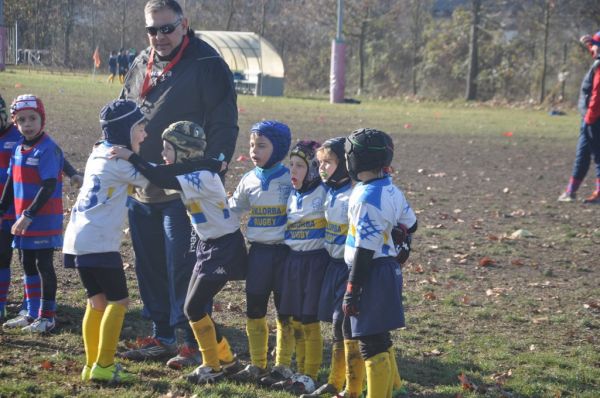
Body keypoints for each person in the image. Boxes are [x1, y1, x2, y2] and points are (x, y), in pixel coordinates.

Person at [119, 0, 239, 369]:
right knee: (149, 265)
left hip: (183, 190)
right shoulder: (141, 61)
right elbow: (125, 108)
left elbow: (224, 119)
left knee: (184, 267)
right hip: (142, 184)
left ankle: (189, 340)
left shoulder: (207, 64)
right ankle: (162, 335)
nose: (159, 37)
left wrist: (213, 167)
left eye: (167, 28)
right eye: (152, 30)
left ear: (184, 24)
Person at [111, 120, 245, 384]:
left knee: (194, 307)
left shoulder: (201, 177)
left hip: (224, 248)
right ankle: (226, 360)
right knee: (191, 307)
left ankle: (212, 364)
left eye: (167, 149)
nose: (163, 155)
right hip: (209, 246)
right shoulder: (195, 170)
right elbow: (165, 171)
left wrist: (131, 156)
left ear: (183, 151)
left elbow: (159, 176)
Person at [63, 99, 150, 383]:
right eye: (140, 128)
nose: (144, 135)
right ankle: (104, 364)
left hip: (79, 238)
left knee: (97, 302)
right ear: (126, 131)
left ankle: (91, 365)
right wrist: (134, 157)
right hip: (99, 240)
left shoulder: (98, 152)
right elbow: (152, 180)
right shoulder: (118, 162)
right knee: (120, 301)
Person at [342, 128, 417, 398]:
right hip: (386, 270)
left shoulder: (366, 198)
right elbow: (412, 223)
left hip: (369, 272)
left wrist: (353, 288)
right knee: (378, 338)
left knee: (370, 344)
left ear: (356, 160)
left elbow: (364, 249)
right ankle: (393, 390)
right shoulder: (390, 188)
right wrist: (401, 237)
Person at [0, 94, 82, 326]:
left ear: (42, 119)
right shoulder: (19, 147)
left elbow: (49, 185)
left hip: (42, 220)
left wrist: (28, 215)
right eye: (22, 120)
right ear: (15, 123)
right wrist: (2, 209)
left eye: (32, 118)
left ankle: (48, 316)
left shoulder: (47, 148)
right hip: (21, 219)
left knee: (43, 265)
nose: (27, 124)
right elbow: (10, 182)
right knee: (26, 263)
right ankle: (31, 314)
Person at [260, 140, 328, 395]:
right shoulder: (291, 193)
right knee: (288, 316)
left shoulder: (324, 193)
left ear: (313, 168)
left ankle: (308, 374)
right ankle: (287, 368)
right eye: (291, 165)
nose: (293, 171)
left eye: (300, 166)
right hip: (292, 261)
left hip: (315, 262)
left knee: (309, 321)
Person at [227, 121, 292, 383]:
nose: (254, 150)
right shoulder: (248, 179)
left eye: (262, 145)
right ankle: (257, 364)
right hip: (259, 255)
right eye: (252, 144)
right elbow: (233, 211)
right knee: (254, 309)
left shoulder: (291, 178)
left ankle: (282, 365)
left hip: (286, 255)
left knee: (285, 312)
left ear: (279, 149)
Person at [295, 137, 353, 397]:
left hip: (351, 267)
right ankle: (336, 382)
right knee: (336, 324)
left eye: (328, 162)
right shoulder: (330, 190)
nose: (321, 168)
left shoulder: (354, 193)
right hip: (332, 265)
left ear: (345, 164)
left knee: (346, 325)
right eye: (319, 163)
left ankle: (341, 383)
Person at [558, 31, 600, 204]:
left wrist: (590, 117)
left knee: (598, 155)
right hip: (588, 118)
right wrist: (590, 42)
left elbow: (597, 96)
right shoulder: (597, 60)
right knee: (582, 154)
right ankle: (570, 191)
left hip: (594, 118)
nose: (592, 48)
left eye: (594, 45)